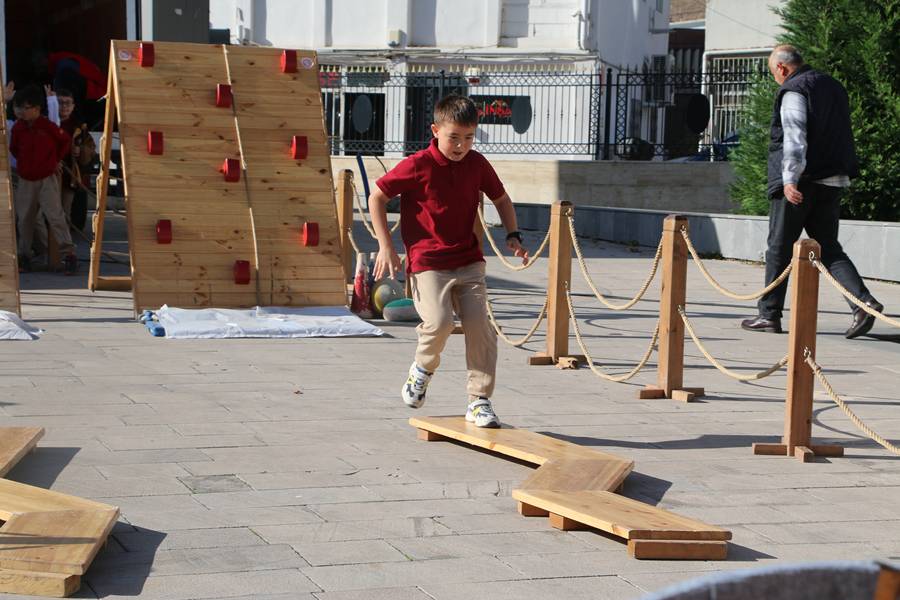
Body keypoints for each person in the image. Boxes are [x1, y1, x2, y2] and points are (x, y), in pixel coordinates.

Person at [369, 94, 527, 428]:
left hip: (469, 260)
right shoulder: (418, 165)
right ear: (436, 130)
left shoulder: (477, 164)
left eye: (468, 138)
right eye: (453, 137)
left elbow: (501, 198)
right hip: (428, 261)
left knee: (480, 327)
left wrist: (513, 234)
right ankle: (421, 370)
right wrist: (385, 245)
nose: (460, 145)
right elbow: (378, 196)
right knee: (439, 322)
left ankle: (479, 400)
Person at [740, 45, 883, 339]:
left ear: (782, 68)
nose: (776, 79)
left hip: (800, 183)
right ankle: (863, 304)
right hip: (831, 180)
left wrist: (789, 179)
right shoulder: (833, 86)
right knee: (828, 247)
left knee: (779, 248)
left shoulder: (794, 90)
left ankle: (769, 315)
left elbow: (795, 135)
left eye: (773, 74)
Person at [10, 84, 76, 274]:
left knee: (55, 216)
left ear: (37, 108)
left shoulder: (48, 126)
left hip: (47, 178)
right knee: (25, 219)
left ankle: (68, 254)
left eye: (26, 107)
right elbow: (14, 149)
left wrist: (54, 160)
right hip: (26, 179)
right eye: (20, 107)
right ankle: (24, 256)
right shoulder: (18, 128)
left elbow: (64, 141)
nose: (22, 111)